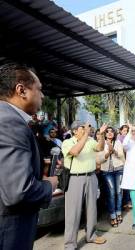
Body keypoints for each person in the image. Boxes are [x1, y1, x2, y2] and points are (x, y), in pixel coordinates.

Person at [0, 63, 58, 250]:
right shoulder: (10, 122)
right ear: (21, 90)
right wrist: (50, 184)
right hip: (10, 232)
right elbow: (19, 191)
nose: (42, 96)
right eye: (39, 89)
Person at [62, 121, 107, 249]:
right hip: (75, 179)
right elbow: (75, 152)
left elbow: (100, 148)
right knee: (73, 212)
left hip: (91, 176)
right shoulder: (67, 142)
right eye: (83, 128)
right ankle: (70, 244)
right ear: (75, 131)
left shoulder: (89, 140)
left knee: (92, 208)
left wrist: (102, 135)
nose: (86, 129)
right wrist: (86, 135)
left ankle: (91, 236)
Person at [97, 127, 125, 227]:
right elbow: (99, 159)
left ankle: (119, 213)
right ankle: (113, 216)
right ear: (104, 134)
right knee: (111, 193)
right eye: (107, 132)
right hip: (107, 171)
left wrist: (114, 151)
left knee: (119, 192)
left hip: (119, 169)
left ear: (114, 133)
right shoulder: (101, 143)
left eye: (111, 131)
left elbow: (121, 155)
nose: (109, 133)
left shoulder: (117, 142)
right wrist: (108, 153)